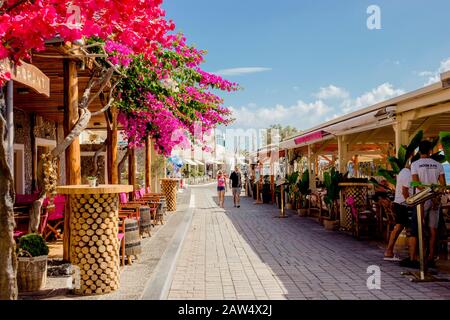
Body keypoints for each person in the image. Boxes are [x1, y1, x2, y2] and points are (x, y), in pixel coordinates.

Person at [401, 140, 446, 268]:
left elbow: (417, 183)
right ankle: (431, 258)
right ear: (430, 151)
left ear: (419, 151)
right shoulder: (438, 165)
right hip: (435, 199)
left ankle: (414, 258)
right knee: (433, 230)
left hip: (421, 200)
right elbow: (442, 185)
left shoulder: (415, 164)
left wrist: (427, 194)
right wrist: (435, 197)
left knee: (416, 229)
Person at [383, 164, 412, 261]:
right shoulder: (408, 174)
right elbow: (405, 191)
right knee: (400, 227)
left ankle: (390, 251)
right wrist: (410, 202)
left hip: (399, 203)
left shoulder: (403, 171)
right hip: (403, 204)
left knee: (400, 227)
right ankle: (389, 251)